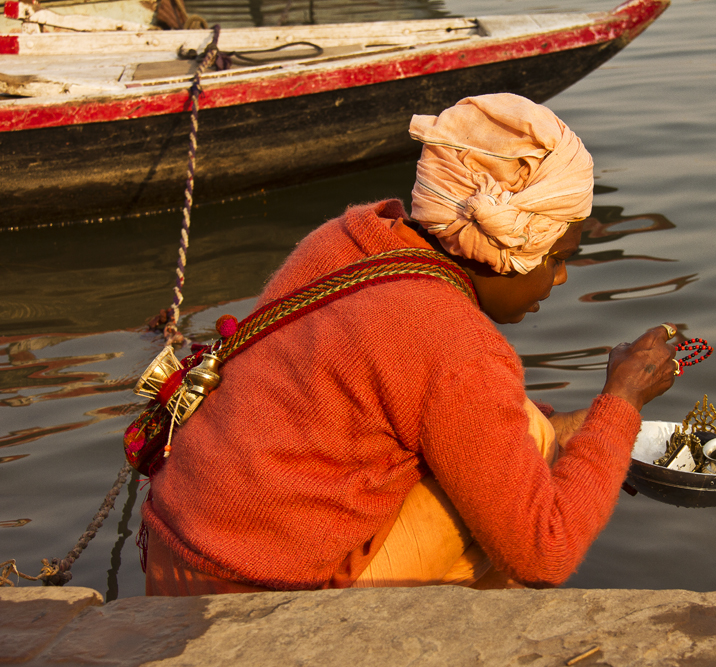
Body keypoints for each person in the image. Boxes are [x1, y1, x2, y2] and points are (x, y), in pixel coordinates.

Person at [141, 93, 681, 595]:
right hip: (247, 591)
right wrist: (624, 399)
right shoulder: (454, 340)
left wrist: (596, 433)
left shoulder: (348, 238)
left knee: (532, 431)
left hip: (170, 553)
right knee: (526, 494)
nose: (560, 280)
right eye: (557, 258)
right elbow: (547, 553)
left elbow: (432, 406)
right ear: (510, 244)